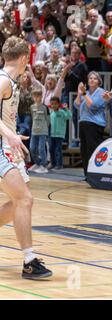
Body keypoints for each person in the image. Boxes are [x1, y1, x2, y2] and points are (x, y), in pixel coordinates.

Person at [0, 36, 52, 279]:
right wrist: (9, 135)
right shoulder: (3, 80)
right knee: (24, 199)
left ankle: (29, 259)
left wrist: (11, 133)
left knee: (20, 200)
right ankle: (29, 261)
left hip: (9, 147)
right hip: (2, 148)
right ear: (23, 58)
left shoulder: (10, 80)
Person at [74, 71, 107, 176]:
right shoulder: (86, 92)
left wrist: (84, 94)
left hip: (94, 124)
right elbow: (77, 105)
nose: (92, 80)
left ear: (98, 81)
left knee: (92, 150)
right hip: (83, 123)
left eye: (95, 78)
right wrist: (79, 93)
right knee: (83, 150)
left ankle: (95, 174)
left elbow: (93, 106)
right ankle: (87, 174)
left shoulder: (101, 92)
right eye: (90, 78)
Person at [29, 88, 50, 174]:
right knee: (32, 148)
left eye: (39, 96)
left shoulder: (45, 107)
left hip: (42, 131)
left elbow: (48, 119)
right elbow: (32, 117)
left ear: (41, 96)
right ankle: (37, 163)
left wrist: (45, 128)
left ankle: (44, 165)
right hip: (34, 131)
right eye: (35, 96)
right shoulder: (32, 107)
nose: (37, 98)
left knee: (41, 148)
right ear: (33, 97)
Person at [49, 97, 72, 170]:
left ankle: (59, 165)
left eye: (55, 104)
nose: (53, 106)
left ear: (59, 104)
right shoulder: (51, 113)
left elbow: (69, 116)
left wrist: (67, 109)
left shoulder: (62, 112)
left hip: (60, 135)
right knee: (51, 149)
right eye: (52, 104)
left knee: (58, 150)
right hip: (52, 134)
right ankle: (53, 164)